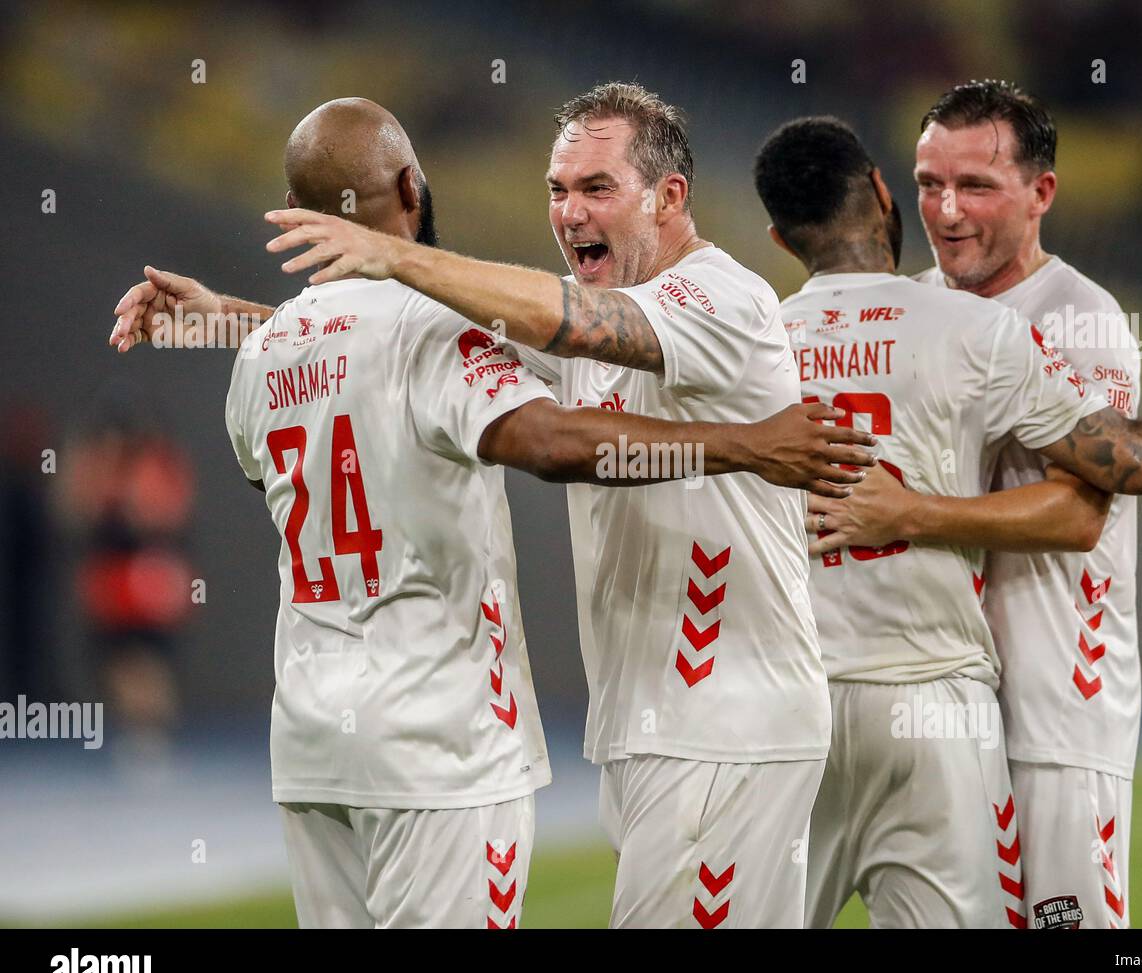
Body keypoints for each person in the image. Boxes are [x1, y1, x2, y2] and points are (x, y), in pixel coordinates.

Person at [111, 97, 873, 928]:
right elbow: (396, 352)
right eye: (557, 188)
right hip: (641, 721)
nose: (570, 212)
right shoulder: (584, 305)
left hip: (728, 716)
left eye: (597, 187)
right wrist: (238, 321)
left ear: (670, 196)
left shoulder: (721, 296)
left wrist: (388, 263)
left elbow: (557, 337)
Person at [753, 114, 1142, 928]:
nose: (947, 211)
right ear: (887, 193)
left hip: (1051, 712)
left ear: (1041, 194)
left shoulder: (1081, 314)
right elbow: (1130, 460)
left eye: (975, 186)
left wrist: (909, 513)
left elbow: (1084, 515)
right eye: (932, 183)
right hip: (948, 703)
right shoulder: (939, 310)